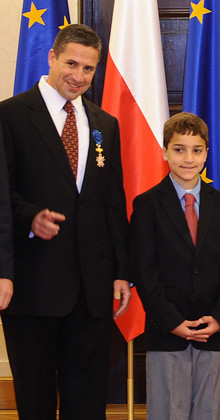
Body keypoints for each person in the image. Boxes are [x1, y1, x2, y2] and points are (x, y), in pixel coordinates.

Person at [0, 23, 131, 419]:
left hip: (91, 292)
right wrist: (29, 218)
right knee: (35, 401)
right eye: (71, 63)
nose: (79, 76)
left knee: (88, 403)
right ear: (51, 57)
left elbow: (112, 203)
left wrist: (121, 272)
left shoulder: (104, 124)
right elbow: (2, 195)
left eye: (89, 69)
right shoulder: (10, 116)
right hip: (32, 285)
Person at [129, 112, 220, 420]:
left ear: (206, 153)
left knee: (208, 412)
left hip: (211, 331)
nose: (188, 158)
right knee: (169, 411)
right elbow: (144, 270)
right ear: (165, 151)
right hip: (167, 331)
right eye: (179, 149)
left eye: (196, 150)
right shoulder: (147, 205)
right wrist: (171, 321)